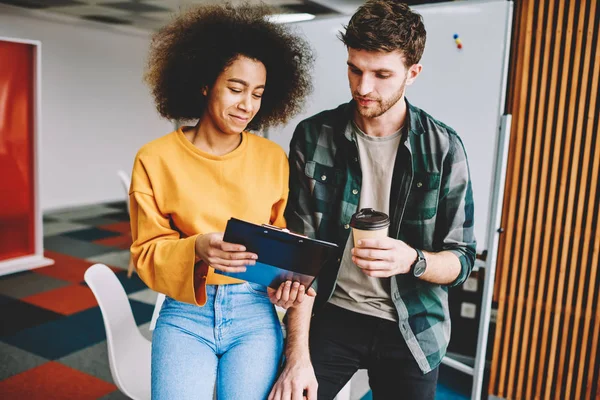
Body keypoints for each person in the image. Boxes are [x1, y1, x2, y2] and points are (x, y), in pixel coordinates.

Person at [269, 1, 476, 399]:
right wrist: (296, 355)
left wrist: (411, 260)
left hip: (413, 324)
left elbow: (461, 259)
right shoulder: (313, 136)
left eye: (382, 75)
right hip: (331, 312)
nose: (364, 87)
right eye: (355, 69)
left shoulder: (444, 148)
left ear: (412, 73)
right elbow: (302, 254)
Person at [129, 4, 313, 399]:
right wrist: (196, 247)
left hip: (254, 311)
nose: (247, 105)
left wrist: (287, 281)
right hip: (184, 311)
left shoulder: (272, 158)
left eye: (258, 94)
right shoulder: (154, 158)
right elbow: (145, 252)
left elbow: (281, 239)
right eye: (235, 88)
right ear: (204, 84)